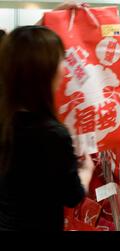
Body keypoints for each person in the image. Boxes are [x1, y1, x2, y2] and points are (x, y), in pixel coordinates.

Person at [0, 6, 95, 231]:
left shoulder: (6, 121)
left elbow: (19, 47)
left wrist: (52, 17)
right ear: (46, 72)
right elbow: (71, 196)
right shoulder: (52, 134)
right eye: (61, 60)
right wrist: (86, 170)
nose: (65, 69)